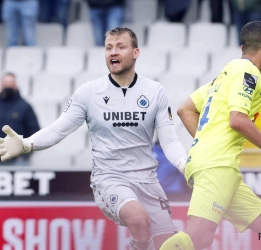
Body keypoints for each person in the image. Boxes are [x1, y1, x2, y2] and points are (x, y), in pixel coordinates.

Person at [0, 27, 187, 249]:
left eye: (120, 47)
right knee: (140, 220)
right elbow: (60, 128)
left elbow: (169, 141)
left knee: (168, 244)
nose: (112, 52)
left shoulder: (155, 91)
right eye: (109, 48)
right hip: (110, 179)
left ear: (135, 52)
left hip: (147, 181)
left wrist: (185, 165)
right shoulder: (89, 92)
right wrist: (27, 143)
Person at [160, 21, 261, 250]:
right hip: (217, 166)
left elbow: (185, 109)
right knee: (198, 237)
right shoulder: (248, 72)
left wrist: (206, 143)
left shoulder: (224, 76)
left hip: (218, 167)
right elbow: (237, 119)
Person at [0, 73, 39, 166]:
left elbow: (34, 130)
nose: (8, 86)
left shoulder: (25, 106)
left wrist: (25, 153)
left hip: (19, 159)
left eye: (11, 83)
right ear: (1, 84)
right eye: (6, 83)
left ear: (15, 85)